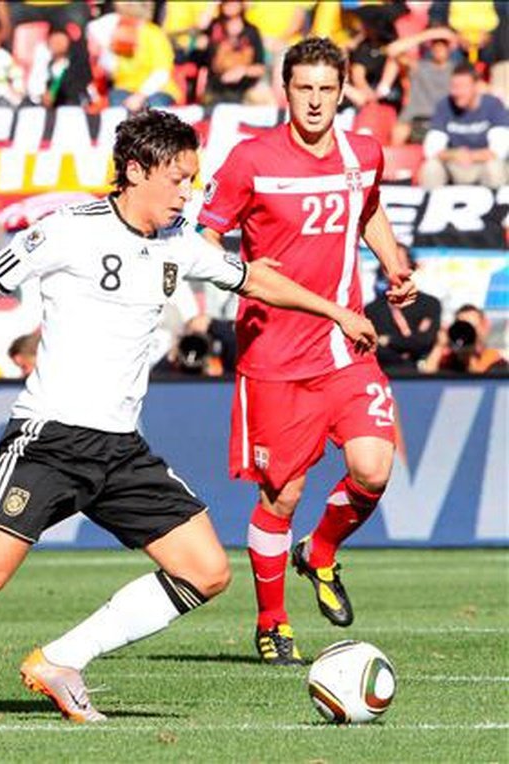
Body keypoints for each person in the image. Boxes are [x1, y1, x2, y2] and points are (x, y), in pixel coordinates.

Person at [0, 110, 378, 723]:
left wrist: (337, 312)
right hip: (49, 439)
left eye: (192, 181)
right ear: (137, 171)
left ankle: (63, 660)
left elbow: (254, 282)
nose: (186, 194)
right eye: (177, 180)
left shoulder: (179, 244)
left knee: (207, 570)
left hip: (120, 450)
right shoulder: (68, 230)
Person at [198, 37, 418, 665]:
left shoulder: (363, 153)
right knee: (282, 497)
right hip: (273, 353)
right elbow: (203, 237)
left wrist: (394, 266)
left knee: (374, 468)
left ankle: (319, 552)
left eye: (327, 88)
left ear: (344, 90)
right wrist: (239, 272)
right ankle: (272, 623)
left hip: (347, 344)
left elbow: (366, 209)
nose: (316, 101)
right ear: (284, 90)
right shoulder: (251, 159)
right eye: (305, 89)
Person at [419, 62, 509, 190]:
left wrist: (472, 156)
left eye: (462, 87)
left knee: (494, 168)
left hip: (483, 166)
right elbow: (432, 149)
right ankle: (433, 206)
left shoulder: (493, 105)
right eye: (453, 87)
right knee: (431, 167)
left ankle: (499, 209)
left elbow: (499, 150)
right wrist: (455, 154)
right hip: (454, 165)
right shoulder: (444, 105)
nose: (456, 92)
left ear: (476, 86)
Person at [365, 245, 441, 373]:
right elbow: (374, 349)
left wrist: (388, 340)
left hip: (421, 376)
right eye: (389, 262)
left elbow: (426, 342)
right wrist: (407, 345)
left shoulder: (430, 304)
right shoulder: (372, 309)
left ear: (410, 266)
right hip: (385, 373)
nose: (394, 267)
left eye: (399, 262)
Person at [420, 304, 509, 375]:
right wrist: (439, 345)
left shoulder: (495, 361)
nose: (465, 332)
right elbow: (426, 382)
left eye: (471, 326)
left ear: (484, 327)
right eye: (461, 327)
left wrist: (469, 357)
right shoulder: (448, 360)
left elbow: (479, 386)